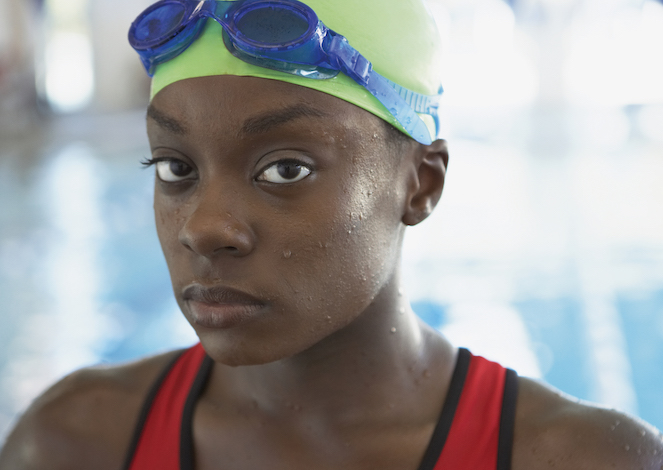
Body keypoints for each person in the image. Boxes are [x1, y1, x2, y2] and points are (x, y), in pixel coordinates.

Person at [1, 0, 662, 469]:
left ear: (420, 183)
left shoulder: (580, 459)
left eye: (284, 168)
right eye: (176, 168)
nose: (204, 228)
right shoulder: (73, 443)